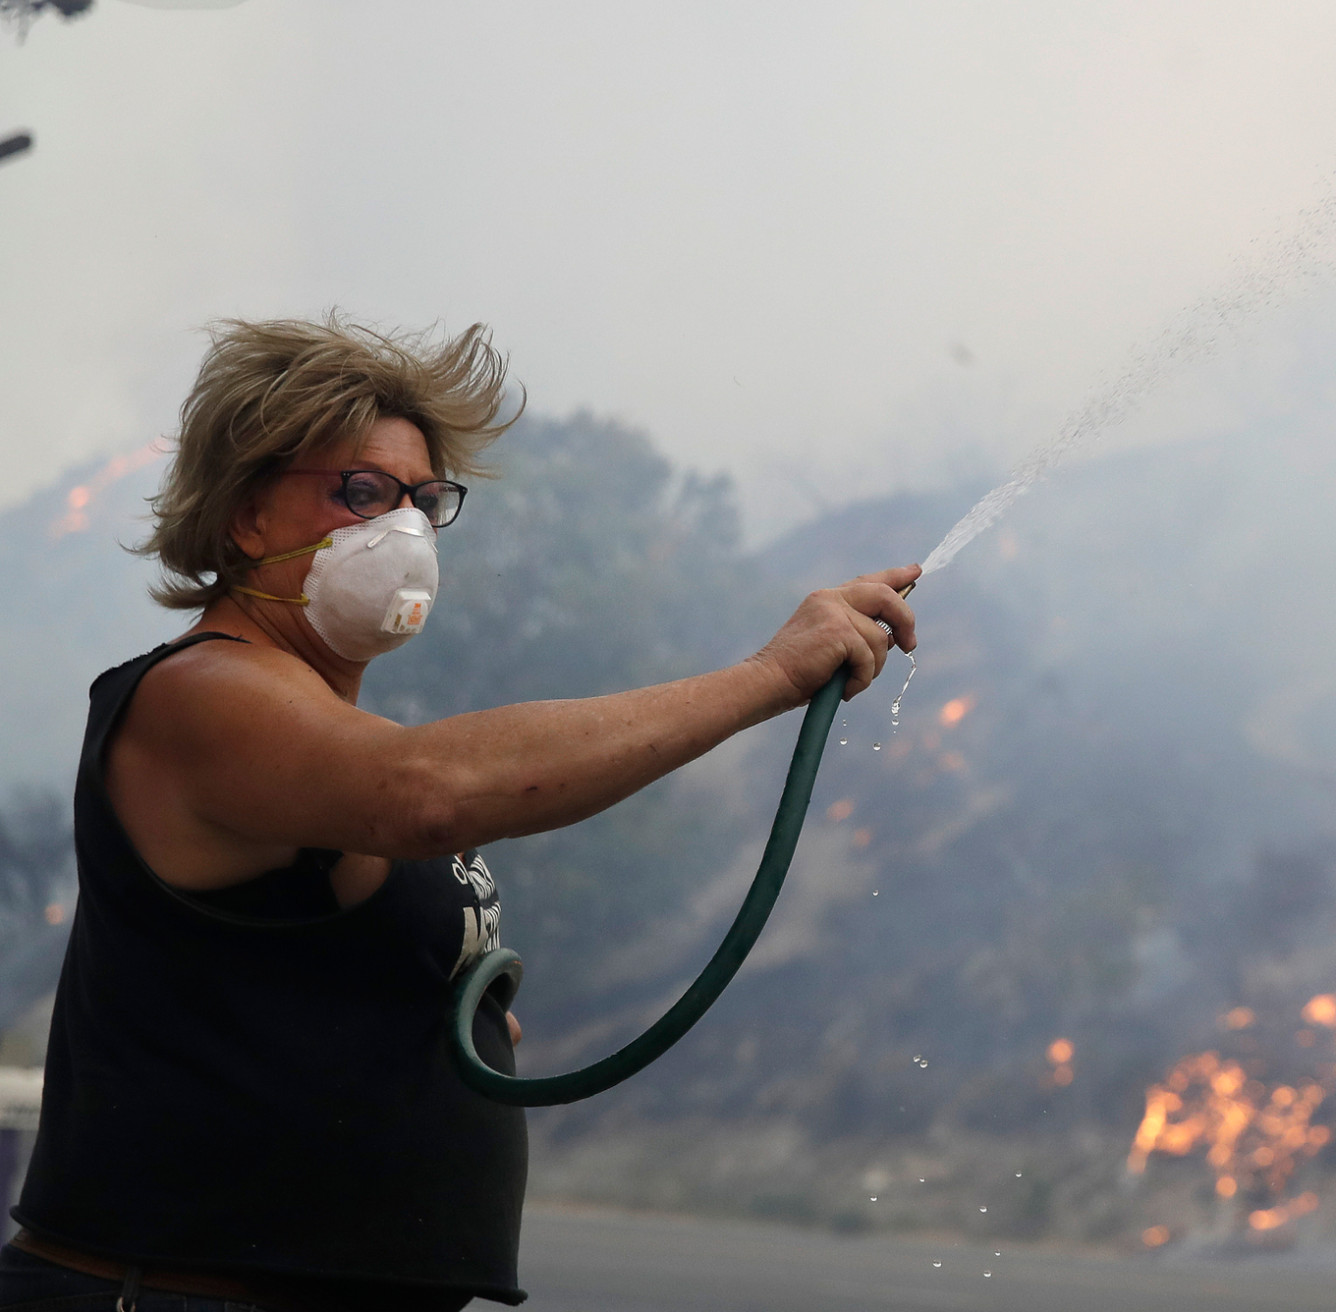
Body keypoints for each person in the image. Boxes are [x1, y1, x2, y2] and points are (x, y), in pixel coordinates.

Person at [4, 318, 918, 1311]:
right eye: (359, 490)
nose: (399, 528)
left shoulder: (322, 736)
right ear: (246, 514)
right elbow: (424, 794)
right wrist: (769, 676)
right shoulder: (198, 694)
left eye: (423, 500)